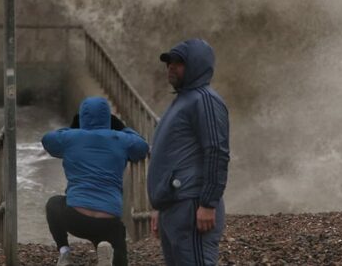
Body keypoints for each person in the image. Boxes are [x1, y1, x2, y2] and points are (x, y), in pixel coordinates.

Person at [148, 38, 230, 266]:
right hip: (173, 207)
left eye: (179, 62)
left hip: (192, 205)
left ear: (197, 65)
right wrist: (158, 206)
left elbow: (217, 152)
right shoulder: (182, 101)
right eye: (169, 62)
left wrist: (208, 203)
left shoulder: (205, 101)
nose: (171, 66)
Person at [42, 96, 150, 266]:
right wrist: (122, 128)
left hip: (75, 218)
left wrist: (73, 128)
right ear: (108, 117)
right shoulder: (121, 139)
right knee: (120, 256)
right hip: (108, 221)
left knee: (53, 204)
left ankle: (65, 253)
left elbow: (47, 140)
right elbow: (142, 147)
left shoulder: (70, 138)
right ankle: (108, 253)